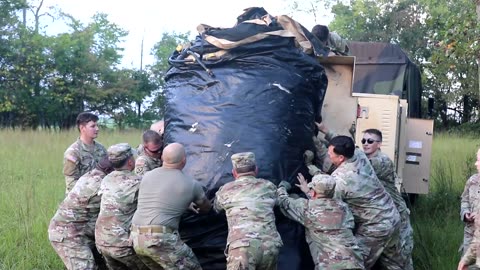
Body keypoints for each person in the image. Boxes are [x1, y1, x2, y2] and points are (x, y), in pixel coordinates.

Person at [131, 142, 210, 269]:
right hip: (159, 239)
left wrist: (184, 203)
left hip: (136, 237)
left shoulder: (147, 176)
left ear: (162, 157)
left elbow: (159, 197)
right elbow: (206, 208)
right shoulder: (191, 184)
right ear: (184, 160)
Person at [277, 174, 364, 270]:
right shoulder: (343, 207)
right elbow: (323, 204)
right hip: (355, 261)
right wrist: (308, 192)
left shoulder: (307, 207)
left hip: (331, 265)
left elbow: (283, 202)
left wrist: (282, 187)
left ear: (313, 192)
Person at [214, 152, 283, 270]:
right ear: (256, 170)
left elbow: (216, 208)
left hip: (242, 249)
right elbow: (280, 202)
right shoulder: (268, 186)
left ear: (234, 172)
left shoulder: (225, 190)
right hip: (270, 246)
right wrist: (283, 187)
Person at [361, 128, 414, 270]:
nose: (366, 144)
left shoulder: (381, 161)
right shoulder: (366, 159)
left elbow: (356, 163)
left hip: (398, 215)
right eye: (363, 141)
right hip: (385, 215)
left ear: (379, 144)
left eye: (370, 141)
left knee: (402, 256)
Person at [48, 157, 113, 270]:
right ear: (110, 171)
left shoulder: (91, 174)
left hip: (81, 231)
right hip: (68, 234)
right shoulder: (100, 184)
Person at [95, 143, 147, 270]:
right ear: (130, 162)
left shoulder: (106, 179)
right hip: (121, 244)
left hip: (102, 241)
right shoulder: (138, 182)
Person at [63, 112, 107, 194]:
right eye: (93, 126)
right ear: (82, 128)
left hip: (99, 196)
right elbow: (71, 183)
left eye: (97, 126)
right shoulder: (73, 152)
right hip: (78, 198)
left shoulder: (101, 149)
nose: (97, 129)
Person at [459, 148, 480, 255]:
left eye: (479, 161)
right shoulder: (472, 181)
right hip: (470, 237)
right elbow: (465, 200)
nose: (476, 164)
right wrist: (466, 213)